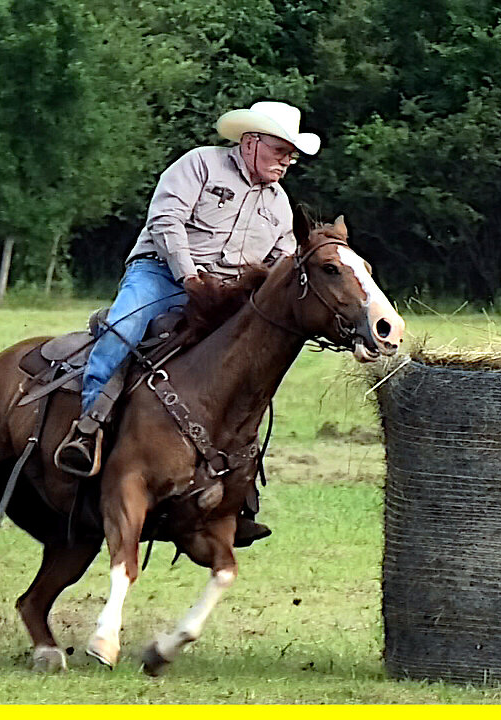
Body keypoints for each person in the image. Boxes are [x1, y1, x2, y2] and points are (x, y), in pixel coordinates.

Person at [54, 100, 321, 543]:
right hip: (161, 274)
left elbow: (279, 264)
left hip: (226, 298)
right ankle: (87, 430)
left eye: (292, 153)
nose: (287, 160)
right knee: (123, 330)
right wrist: (189, 276)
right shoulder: (200, 164)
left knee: (245, 370)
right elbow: (166, 219)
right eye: (281, 149)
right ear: (251, 142)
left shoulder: (279, 205)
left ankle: (237, 486)